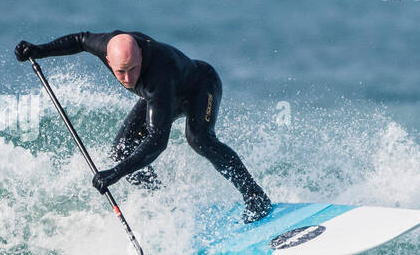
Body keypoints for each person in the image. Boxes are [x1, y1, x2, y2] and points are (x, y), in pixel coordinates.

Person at [15, 31, 273, 222]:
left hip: (199, 88)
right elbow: (80, 40)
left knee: (200, 139)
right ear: (107, 58)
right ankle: (166, 205)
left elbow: (157, 141)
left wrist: (115, 174)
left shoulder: (158, 75)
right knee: (121, 151)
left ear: (140, 52)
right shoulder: (109, 46)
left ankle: (255, 196)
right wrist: (38, 50)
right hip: (160, 96)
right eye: (120, 72)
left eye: (133, 69)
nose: (127, 79)